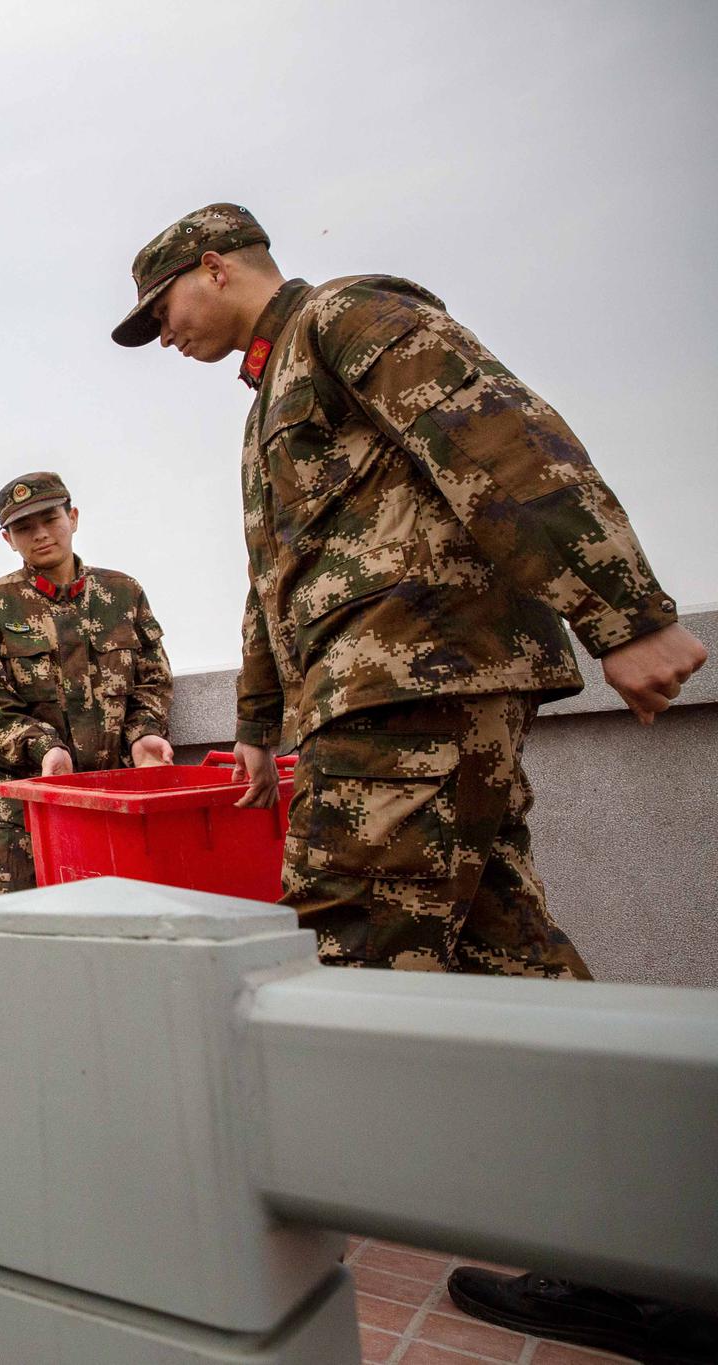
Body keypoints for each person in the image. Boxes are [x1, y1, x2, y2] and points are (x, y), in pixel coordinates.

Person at [114, 202, 711, 1360]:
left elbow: (498, 444)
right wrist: (253, 725)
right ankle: (648, 1254)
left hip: (414, 681)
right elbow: (277, 580)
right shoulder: (270, 397)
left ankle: (221, 1267)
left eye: (162, 308)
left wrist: (624, 615)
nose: (163, 334)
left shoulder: (347, 317)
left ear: (213, 267)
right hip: (376, 693)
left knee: (336, 949)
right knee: (506, 961)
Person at [0, 471, 174, 893]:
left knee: (120, 913)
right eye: (24, 527)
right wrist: (47, 748)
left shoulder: (123, 593)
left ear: (73, 517)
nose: (41, 534)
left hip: (111, 796)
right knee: (19, 922)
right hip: (26, 802)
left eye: (50, 519)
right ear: (8, 539)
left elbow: (153, 679)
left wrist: (143, 734)